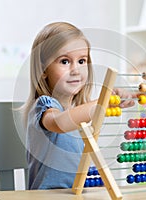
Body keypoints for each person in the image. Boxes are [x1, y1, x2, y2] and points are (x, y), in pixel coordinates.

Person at [22, 22, 136, 190]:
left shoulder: (75, 114)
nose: (76, 70)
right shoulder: (44, 106)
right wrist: (102, 102)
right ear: (43, 69)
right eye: (65, 61)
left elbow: (75, 167)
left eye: (82, 61)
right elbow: (59, 123)